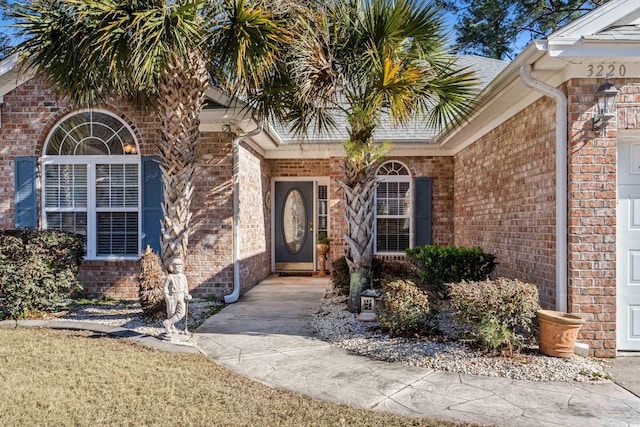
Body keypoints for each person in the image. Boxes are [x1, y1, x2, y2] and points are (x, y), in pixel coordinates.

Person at [163, 258, 192, 335]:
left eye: (180, 266)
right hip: (173, 295)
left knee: (181, 313)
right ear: (173, 267)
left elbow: (186, 287)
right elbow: (165, 287)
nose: (179, 267)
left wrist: (187, 295)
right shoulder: (170, 276)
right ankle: (171, 327)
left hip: (181, 295)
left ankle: (168, 323)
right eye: (177, 266)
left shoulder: (183, 277)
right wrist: (167, 295)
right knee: (171, 312)